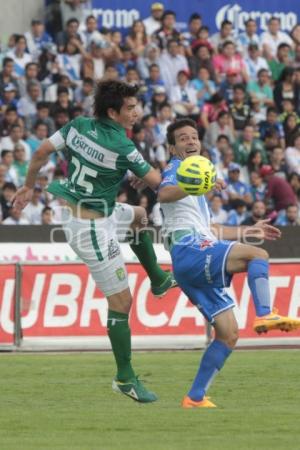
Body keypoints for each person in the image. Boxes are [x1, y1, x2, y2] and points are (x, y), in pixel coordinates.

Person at [12, 80, 177, 404]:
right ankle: (125, 378)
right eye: (130, 108)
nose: (137, 112)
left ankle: (157, 278)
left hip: (94, 210)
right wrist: (199, 182)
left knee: (139, 216)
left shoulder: (77, 126)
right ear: (113, 111)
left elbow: (43, 152)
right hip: (90, 227)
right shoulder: (122, 146)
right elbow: (161, 185)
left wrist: (29, 186)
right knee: (122, 303)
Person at [158, 118, 300, 408]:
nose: (191, 142)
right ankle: (265, 314)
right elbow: (164, 193)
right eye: (183, 139)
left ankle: (194, 397)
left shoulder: (198, 195)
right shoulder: (175, 170)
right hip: (189, 249)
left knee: (228, 334)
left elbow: (213, 232)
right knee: (257, 256)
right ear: (172, 148)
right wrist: (196, 183)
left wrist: (250, 230)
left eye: (194, 137)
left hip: (193, 254)